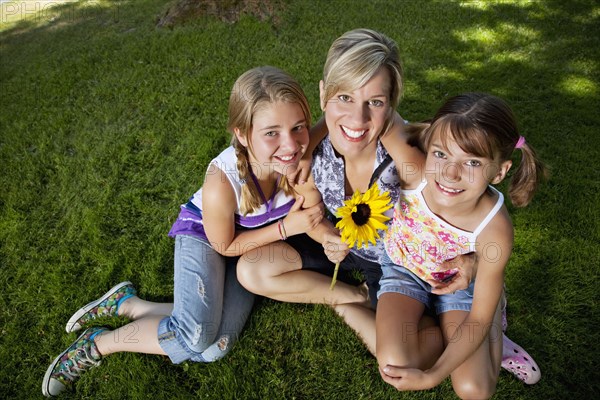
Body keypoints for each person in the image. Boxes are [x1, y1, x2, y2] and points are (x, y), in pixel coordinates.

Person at [41, 66, 325, 397]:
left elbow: (328, 125)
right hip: (210, 238)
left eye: (298, 127)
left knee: (214, 347)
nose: (290, 145)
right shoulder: (222, 180)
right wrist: (286, 227)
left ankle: (130, 305)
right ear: (243, 134)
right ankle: (98, 344)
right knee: (194, 336)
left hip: (252, 246)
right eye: (271, 133)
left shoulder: (298, 157)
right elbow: (226, 244)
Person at [237, 29, 473, 357]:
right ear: (323, 95)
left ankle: (370, 309)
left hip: (390, 262)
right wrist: (326, 237)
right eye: (345, 98)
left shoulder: (402, 156)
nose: (358, 118)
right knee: (252, 269)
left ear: (391, 106)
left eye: (375, 103)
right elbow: (314, 216)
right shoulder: (311, 155)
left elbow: (439, 193)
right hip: (344, 246)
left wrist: (391, 128)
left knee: (404, 357)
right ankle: (348, 297)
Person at [376, 92, 545, 398]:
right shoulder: (414, 172)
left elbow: (476, 318)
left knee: (474, 389)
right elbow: (377, 115)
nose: (450, 174)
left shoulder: (495, 229)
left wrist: (433, 376)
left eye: (471, 162)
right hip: (405, 271)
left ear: (500, 171)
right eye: (441, 154)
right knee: (394, 363)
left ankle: (496, 316)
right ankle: (447, 327)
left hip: (463, 290)